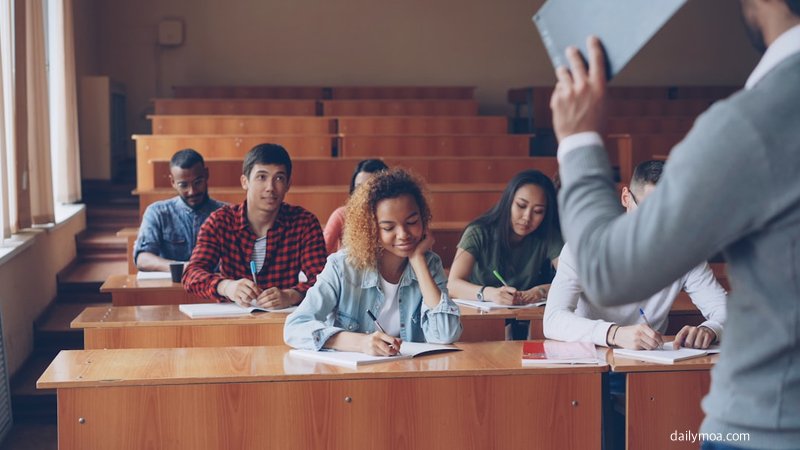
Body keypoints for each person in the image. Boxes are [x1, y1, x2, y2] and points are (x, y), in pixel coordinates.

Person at [549, 1, 800, 448]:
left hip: (769, 423)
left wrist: (578, 139)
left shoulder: (751, 120)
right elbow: (556, 318)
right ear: (626, 199)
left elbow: (608, 271)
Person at [544, 160, 727, 350]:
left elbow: (725, 310)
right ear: (626, 198)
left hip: (648, 363)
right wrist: (613, 334)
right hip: (591, 357)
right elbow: (553, 319)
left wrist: (710, 330)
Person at [284, 168, 462, 354]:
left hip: (409, 376)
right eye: (388, 227)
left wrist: (417, 261)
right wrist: (358, 342)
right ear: (371, 229)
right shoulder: (342, 266)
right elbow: (295, 327)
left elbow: (445, 334)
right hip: (352, 377)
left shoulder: (430, 265)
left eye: (411, 222)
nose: (403, 235)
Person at [183, 143, 327, 309]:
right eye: (261, 177)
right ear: (245, 181)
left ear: (288, 184)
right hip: (233, 319)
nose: (270, 188)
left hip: (284, 321)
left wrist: (292, 295)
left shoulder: (304, 223)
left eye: (279, 178)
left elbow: (324, 281)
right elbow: (191, 275)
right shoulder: (220, 221)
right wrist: (226, 286)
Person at [448, 169, 563, 339]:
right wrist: (491, 294)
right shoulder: (478, 232)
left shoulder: (548, 235)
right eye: (521, 206)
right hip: (480, 321)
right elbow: (453, 285)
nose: (527, 217)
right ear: (508, 201)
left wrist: (540, 291)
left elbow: (571, 280)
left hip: (524, 321)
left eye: (538, 211)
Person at [134, 149, 225, 272]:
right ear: (173, 182)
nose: (192, 191)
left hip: (215, 287)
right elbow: (142, 258)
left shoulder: (226, 213)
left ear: (206, 174)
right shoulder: (157, 212)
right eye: (183, 185)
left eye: (198, 182)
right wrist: (184, 268)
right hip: (170, 287)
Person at [323, 159, 388, 253]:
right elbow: (321, 252)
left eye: (371, 187)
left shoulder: (392, 217)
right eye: (359, 187)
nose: (364, 193)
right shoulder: (342, 214)